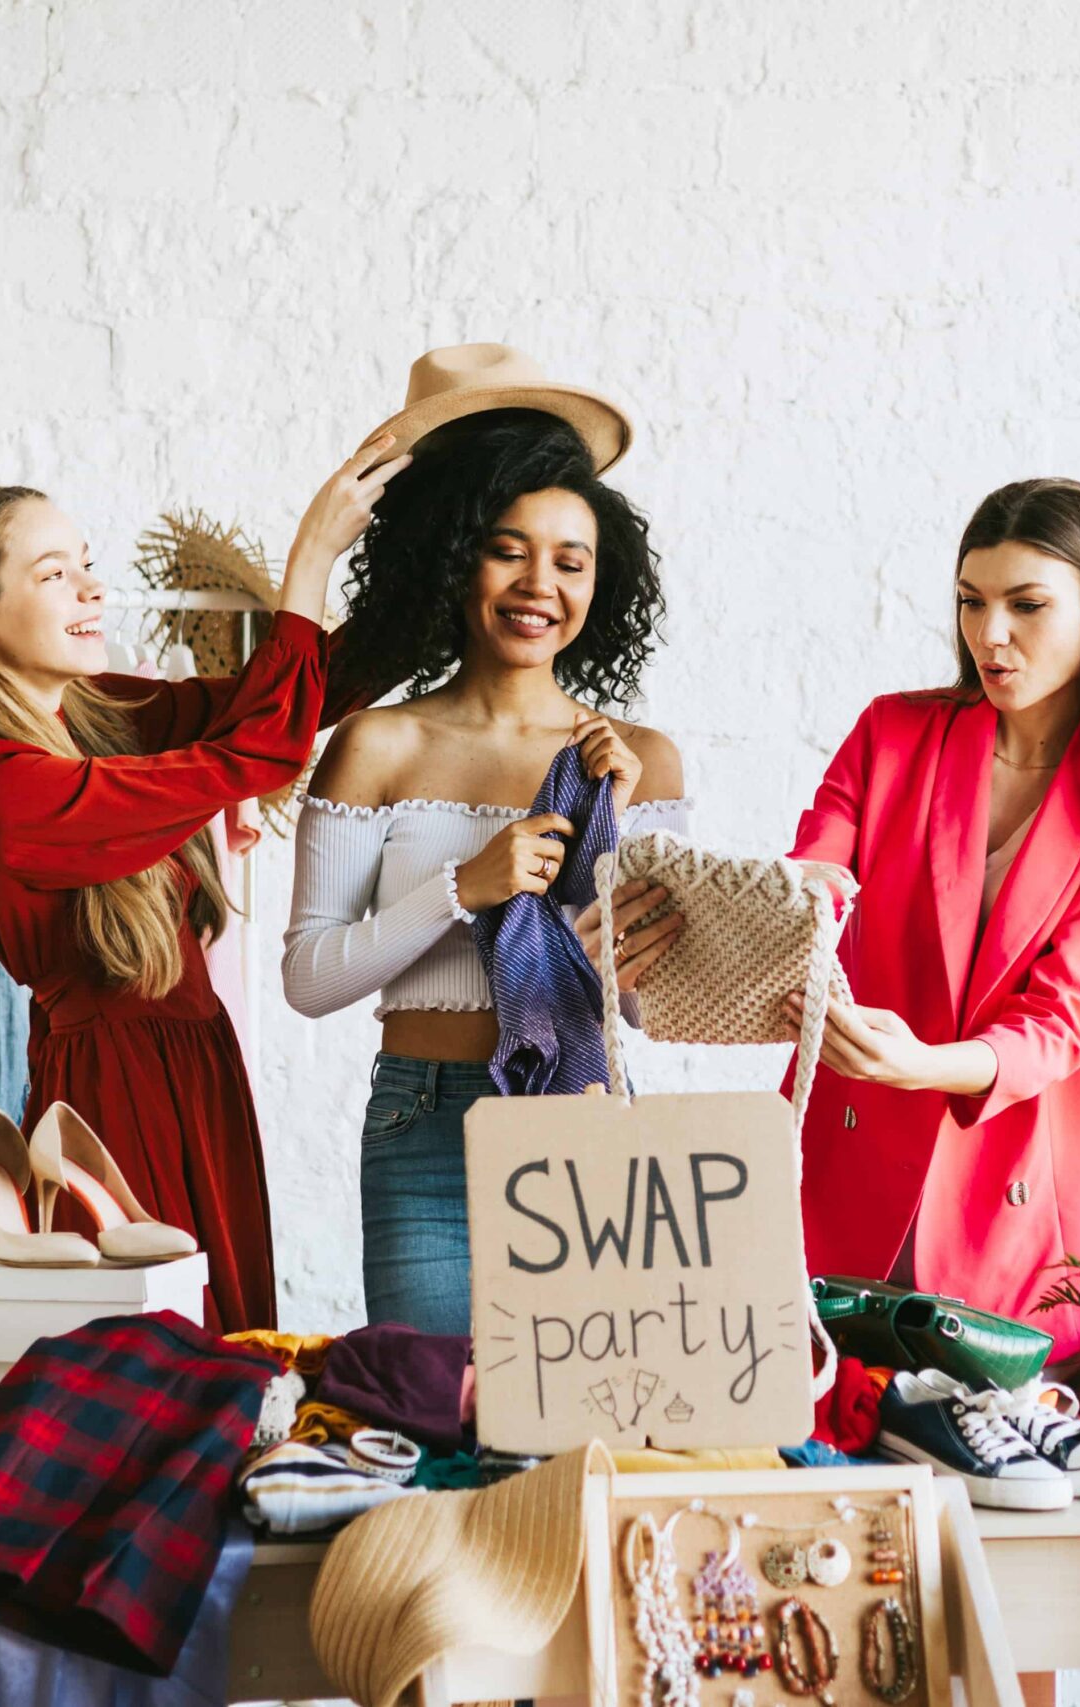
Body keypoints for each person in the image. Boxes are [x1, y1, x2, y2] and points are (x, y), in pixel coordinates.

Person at [0, 433, 410, 1332]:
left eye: (89, 566)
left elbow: (299, 695)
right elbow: (257, 753)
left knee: (228, 1344)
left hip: (193, 1062)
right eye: (55, 573)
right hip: (114, 1096)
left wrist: (439, 561)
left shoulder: (102, 714)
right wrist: (310, 562)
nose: (93, 589)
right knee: (171, 1356)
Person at [782, 478, 1080, 1366]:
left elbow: (1064, 1017)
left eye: (1027, 605)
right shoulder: (891, 734)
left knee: (1012, 1476)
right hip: (841, 1169)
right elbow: (807, 889)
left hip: (1015, 1201)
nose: (990, 634)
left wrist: (922, 1065)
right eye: (970, 602)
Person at [284, 355, 687, 1338]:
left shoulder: (638, 760)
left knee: (576, 1430)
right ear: (458, 556)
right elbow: (308, 979)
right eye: (508, 550)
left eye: (569, 560)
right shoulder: (381, 745)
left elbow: (650, 1004)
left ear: (603, 581)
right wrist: (463, 887)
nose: (538, 585)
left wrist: (620, 834)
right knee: (432, 1419)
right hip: (421, 1126)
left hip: (581, 1123)